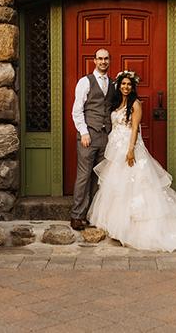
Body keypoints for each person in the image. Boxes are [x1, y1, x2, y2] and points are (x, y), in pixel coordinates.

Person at [88, 71, 176, 251]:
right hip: (115, 149)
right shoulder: (117, 104)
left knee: (136, 185)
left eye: (129, 85)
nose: (126, 87)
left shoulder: (136, 104)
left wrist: (130, 150)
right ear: (119, 86)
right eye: (123, 84)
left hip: (129, 148)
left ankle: (136, 228)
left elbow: (134, 129)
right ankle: (118, 226)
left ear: (133, 87)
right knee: (118, 187)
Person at [70, 48, 114, 231]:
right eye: (100, 59)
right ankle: (76, 215)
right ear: (94, 61)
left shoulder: (113, 83)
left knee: (99, 177)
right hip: (89, 135)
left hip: (106, 136)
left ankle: (91, 214)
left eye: (106, 59)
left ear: (109, 61)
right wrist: (84, 132)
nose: (103, 62)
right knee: (83, 176)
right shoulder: (85, 82)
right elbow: (77, 109)